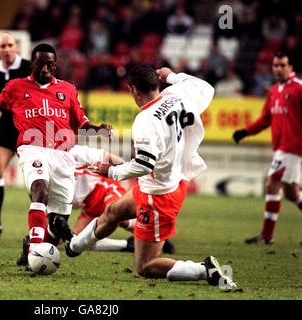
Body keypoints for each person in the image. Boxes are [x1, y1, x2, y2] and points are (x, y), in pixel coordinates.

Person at [56, 65, 237, 289]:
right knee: (113, 212)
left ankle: (204, 269)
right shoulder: (178, 94)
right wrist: (172, 76)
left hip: (160, 195)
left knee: (146, 266)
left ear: (133, 90)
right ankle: (75, 246)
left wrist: (111, 172)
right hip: (160, 183)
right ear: (157, 83)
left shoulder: (145, 120)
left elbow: (144, 163)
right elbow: (206, 88)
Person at [0, 43, 111, 265]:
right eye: (40, 64)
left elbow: (82, 122)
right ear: (32, 63)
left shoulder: (68, 90)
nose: (44, 69)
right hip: (32, 148)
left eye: (49, 65)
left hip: (62, 154)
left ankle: (31, 243)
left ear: (55, 65)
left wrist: (97, 129)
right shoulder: (16, 87)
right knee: (39, 191)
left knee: (57, 221)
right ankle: (35, 249)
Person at [233, 51, 302, 245]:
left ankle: (266, 235)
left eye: (282, 65)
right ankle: (266, 235)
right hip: (281, 147)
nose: (278, 69)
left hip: (292, 148)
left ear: (290, 67)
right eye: (275, 65)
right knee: (291, 193)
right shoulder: (273, 91)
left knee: (272, 183)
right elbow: (265, 120)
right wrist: (245, 132)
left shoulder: (298, 89)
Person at [0, 32, 31, 239]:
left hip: (29, 127)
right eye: (3, 46)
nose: (7, 49)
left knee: (34, 180)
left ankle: (46, 226)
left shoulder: (28, 68)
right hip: (6, 127)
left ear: (17, 48)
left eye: (10, 45)